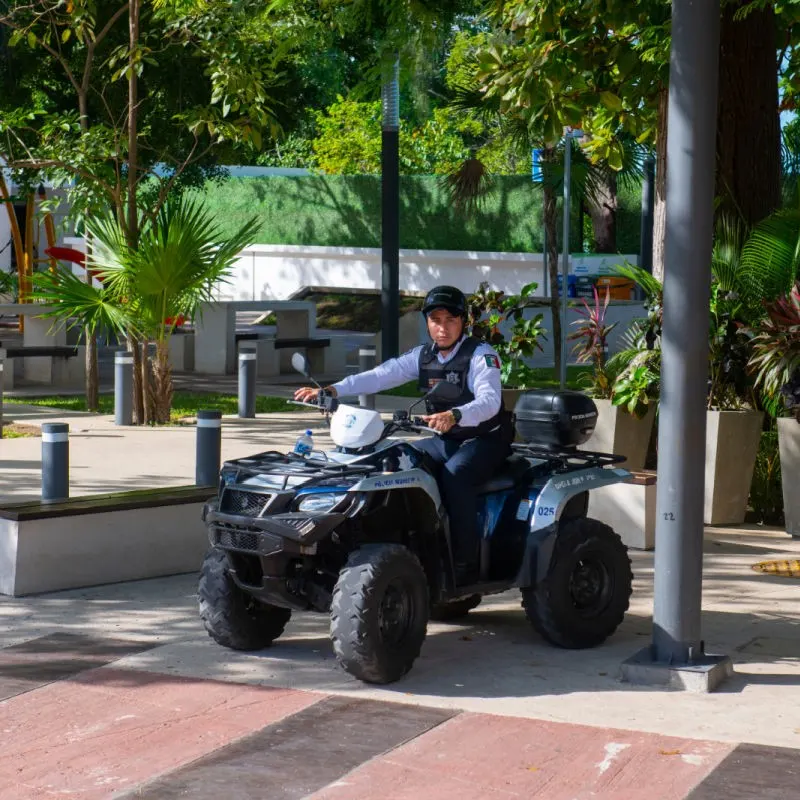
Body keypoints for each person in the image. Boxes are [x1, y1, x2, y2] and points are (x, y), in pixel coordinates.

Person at [293, 285, 512, 584]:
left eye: (450, 319)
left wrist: (455, 415)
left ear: (463, 322)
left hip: (483, 440)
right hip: (444, 440)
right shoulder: (423, 356)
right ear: (427, 323)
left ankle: (464, 562)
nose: (442, 327)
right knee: (398, 460)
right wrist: (333, 389)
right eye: (435, 319)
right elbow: (381, 375)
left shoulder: (480, 355)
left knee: (455, 477)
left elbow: (490, 402)